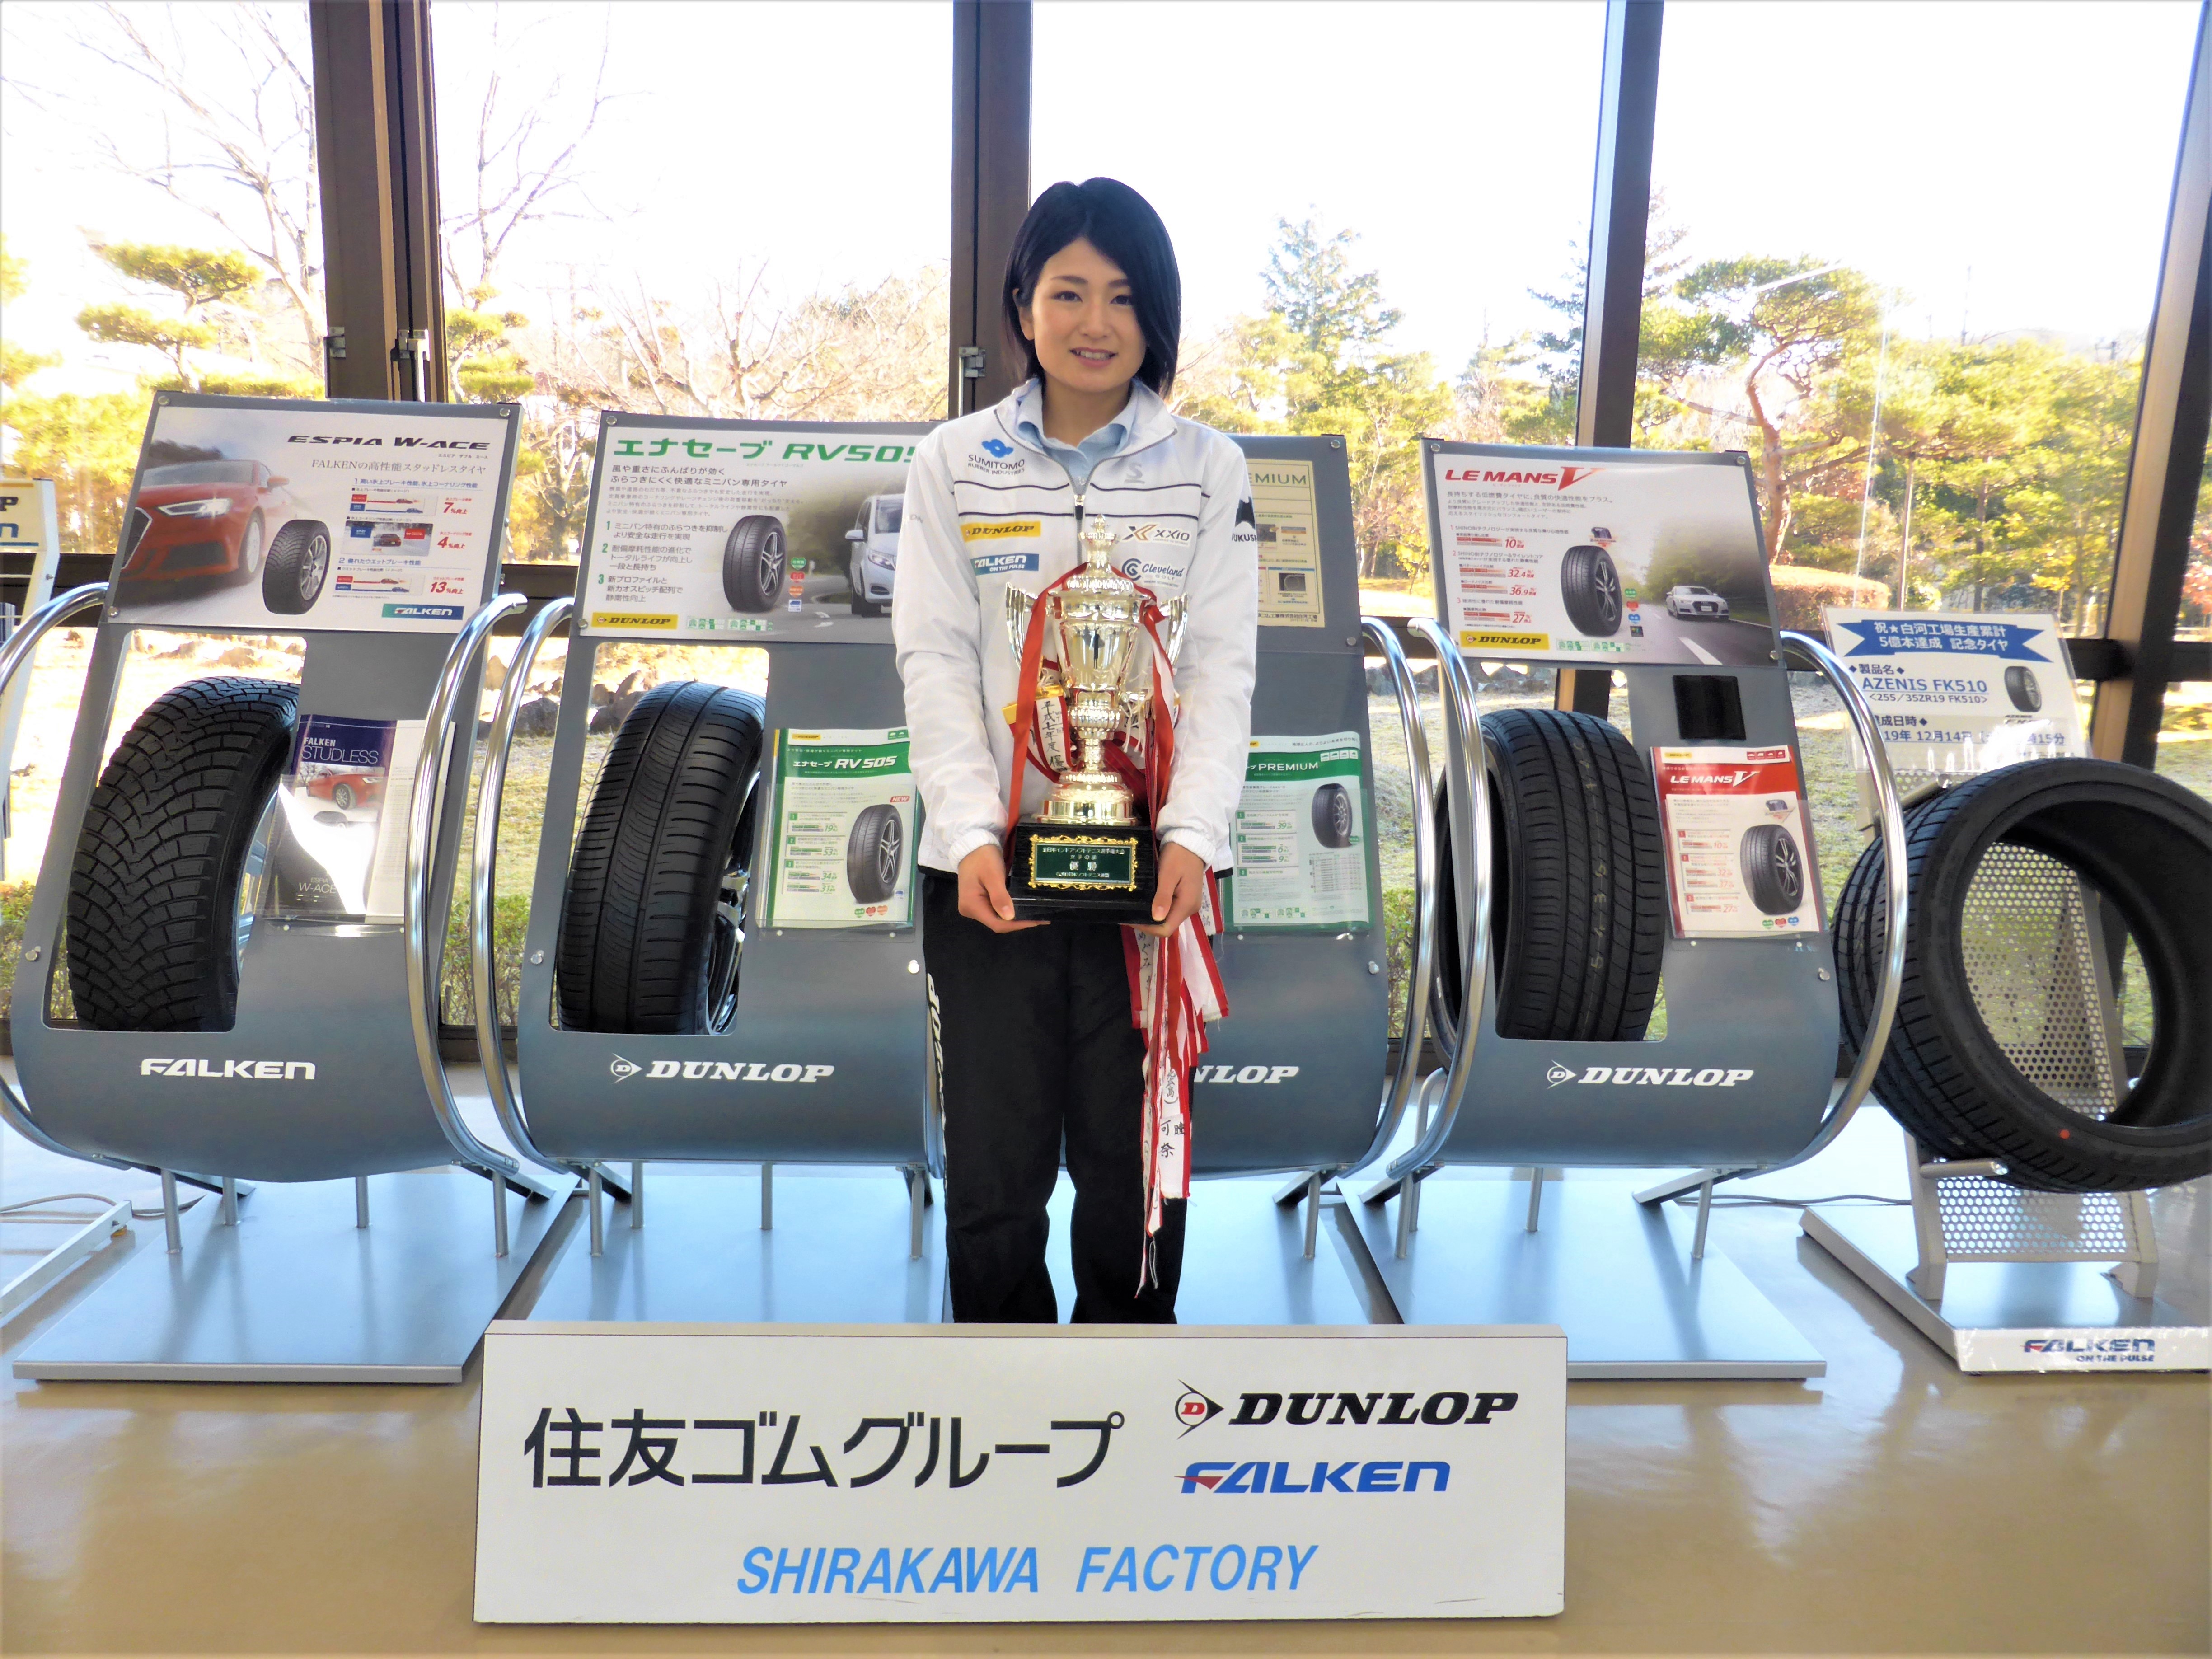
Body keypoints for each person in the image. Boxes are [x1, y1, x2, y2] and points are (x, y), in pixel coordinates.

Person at [893, 178, 1258, 1322]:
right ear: (1023, 305)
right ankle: (1002, 1390)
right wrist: (967, 833)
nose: (1096, 322)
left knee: (1132, 1162)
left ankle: (1131, 1380)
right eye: (1068, 292)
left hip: (1155, 870)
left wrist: (1193, 834)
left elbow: (1222, 669)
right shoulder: (953, 461)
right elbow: (936, 658)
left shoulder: (1209, 467)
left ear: (1157, 316)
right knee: (995, 1165)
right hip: (991, 868)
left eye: (1124, 296)